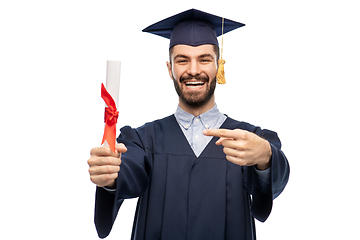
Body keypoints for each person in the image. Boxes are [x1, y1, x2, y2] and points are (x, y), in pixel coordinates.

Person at [88, 9, 290, 240]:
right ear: (169, 69)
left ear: (219, 66)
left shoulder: (248, 139)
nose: (193, 70)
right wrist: (110, 174)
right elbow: (126, 167)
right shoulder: (143, 140)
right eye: (182, 60)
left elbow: (274, 177)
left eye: (204, 59)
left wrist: (265, 157)